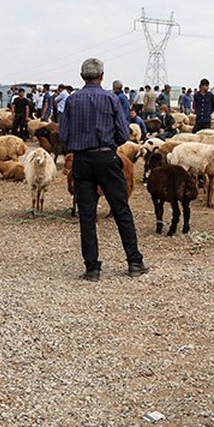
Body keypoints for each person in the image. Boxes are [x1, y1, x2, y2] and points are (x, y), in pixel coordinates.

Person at [59, 58, 147, 281]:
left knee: (87, 214)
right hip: (106, 157)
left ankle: (92, 268)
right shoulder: (111, 98)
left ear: (82, 77)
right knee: (121, 209)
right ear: (102, 76)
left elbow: (64, 135)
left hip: (82, 160)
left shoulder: (72, 101)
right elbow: (123, 133)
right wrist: (110, 147)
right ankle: (134, 262)